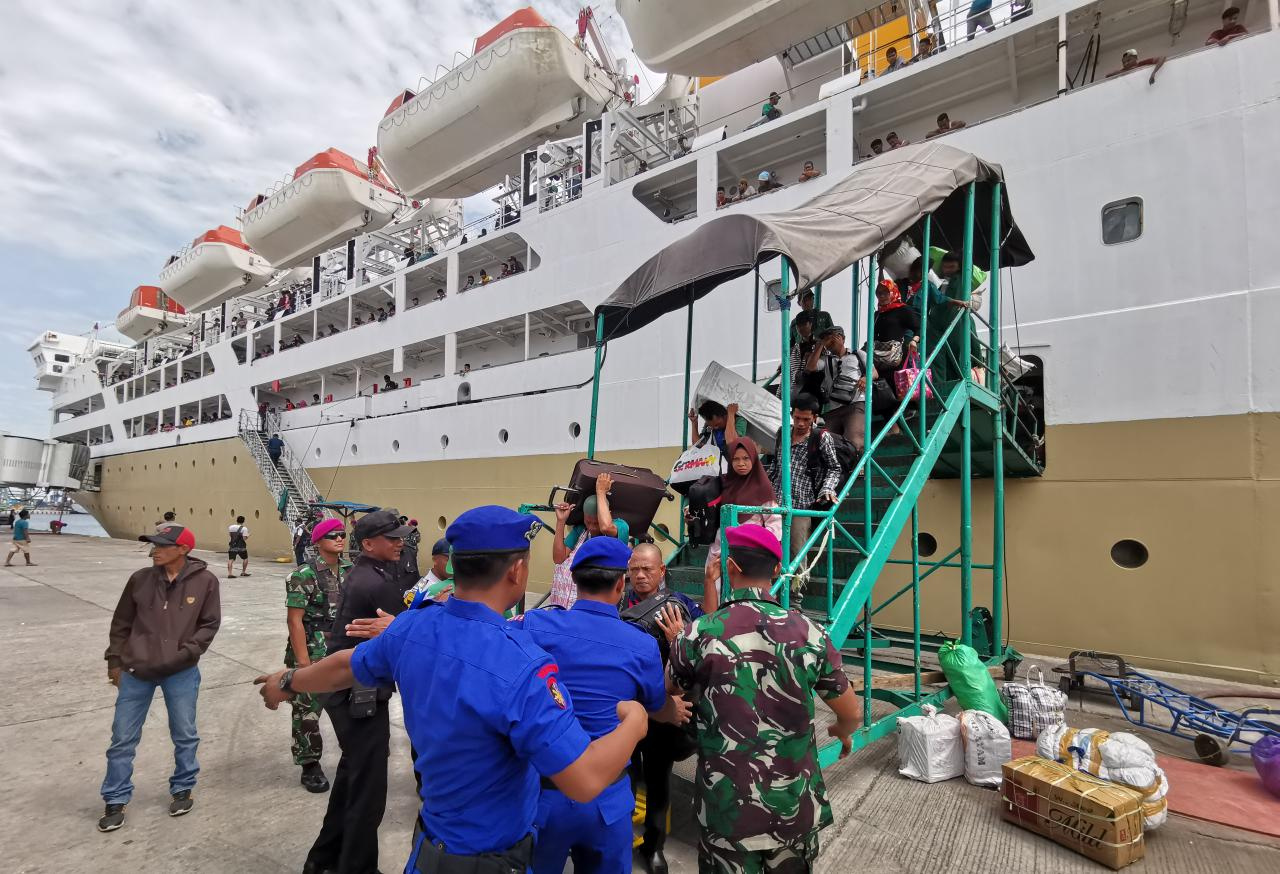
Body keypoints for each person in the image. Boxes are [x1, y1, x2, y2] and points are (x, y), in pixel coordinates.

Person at [256, 506, 649, 874]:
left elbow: (345, 665)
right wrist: (634, 723)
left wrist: (287, 681)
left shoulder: (413, 628)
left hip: (429, 849)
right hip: (493, 859)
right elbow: (583, 780)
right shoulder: (522, 665)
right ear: (517, 571)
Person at [670, 525, 861, 873]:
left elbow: (669, 689)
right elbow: (850, 712)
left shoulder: (698, 633)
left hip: (727, 812)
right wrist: (841, 730)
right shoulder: (808, 632)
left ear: (730, 567)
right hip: (792, 808)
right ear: (776, 570)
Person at [518, 538, 690, 874]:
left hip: (545, 792)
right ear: (621, 584)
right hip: (607, 799)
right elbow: (656, 706)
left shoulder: (536, 625)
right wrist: (674, 709)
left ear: (575, 580)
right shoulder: (641, 645)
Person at [296, 510, 410, 874]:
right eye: (392, 538)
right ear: (369, 544)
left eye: (400, 536)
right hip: (360, 694)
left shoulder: (365, 572)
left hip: (350, 690)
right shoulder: (375, 582)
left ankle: (323, 859)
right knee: (368, 794)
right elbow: (409, 636)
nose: (400, 542)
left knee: (352, 780)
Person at [98, 525, 221, 832]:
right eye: (153, 545)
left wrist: (185, 654)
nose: (154, 550)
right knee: (122, 738)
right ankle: (115, 798)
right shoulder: (139, 579)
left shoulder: (205, 581)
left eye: (162, 545)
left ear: (183, 549)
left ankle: (182, 787)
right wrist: (115, 661)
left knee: (185, 733)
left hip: (180, 671)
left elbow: (209, 624)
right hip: (136, 671)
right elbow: (121, 623)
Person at [284, 518, 350, 794]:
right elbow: (295, 621)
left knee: (349, 705)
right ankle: (309, 763)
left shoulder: (350, 570)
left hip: (342, 645)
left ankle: (353, 755)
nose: (340, 538)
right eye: (333, 535)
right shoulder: (304, 574)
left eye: (342, 534)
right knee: (307, 710)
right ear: (318, 541)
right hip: (313, 647)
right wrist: (303, 664)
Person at [702, 436, 782, 592]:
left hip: (748, 552)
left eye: (746, 458)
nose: (741, 463)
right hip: (721, 546)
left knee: (744, 592)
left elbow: (774, 523)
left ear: (753, 458)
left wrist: (757, 544)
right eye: (736, 459)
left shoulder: (762, 487)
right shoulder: (724, 483)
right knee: (715, 588)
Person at [769, 395, 841, 559]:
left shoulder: (821, 437)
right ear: (792, 415)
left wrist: (827, 488)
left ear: (814, 418)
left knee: (797, 554)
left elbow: (834, 468)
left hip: (802, 507)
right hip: (776, 503)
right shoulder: (782, 433)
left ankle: (798, 577)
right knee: (772, 552)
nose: (800, 423)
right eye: (797, 418)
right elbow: (775, 464)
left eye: (806, 419)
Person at [550, 473, 630, 608]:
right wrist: (561, 522)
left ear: (608, 514)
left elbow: (605, 527)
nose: (592, 527)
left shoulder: (620, 526)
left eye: (596, 522)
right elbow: (558, 558)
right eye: (588, 522)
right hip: (565, 606)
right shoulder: (581, 530)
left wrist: (601, 492)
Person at [809, 325, 875, 449]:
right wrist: (820, 344)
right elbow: (810, 367)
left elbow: (874, 372)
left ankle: (859, 461)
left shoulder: (858, 354)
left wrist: (866, 378)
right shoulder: (825, 360)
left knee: (854, 440)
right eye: (827, 340)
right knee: (824, 444)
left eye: (834, 338)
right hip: (832, 408)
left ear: (843, 338)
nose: (830, 342)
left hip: (855, 404)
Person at [873, 278, 921, 392]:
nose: (882, 296)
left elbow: (919, 328)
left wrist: (914, 340)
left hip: (896, 358)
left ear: (893, 292)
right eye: (879, 293)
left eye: (886, 292)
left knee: (897, 389)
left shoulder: (903, 310)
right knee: (882, 392)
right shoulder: (877, 314)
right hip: (879, 359)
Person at [404, 537, 452, 607]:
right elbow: (409, 610)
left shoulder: (455, 583)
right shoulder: (423, 589)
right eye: (448, 560)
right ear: (435, 560)